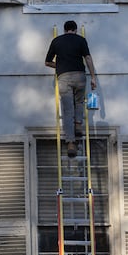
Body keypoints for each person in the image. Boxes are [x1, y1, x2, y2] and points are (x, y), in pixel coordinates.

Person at [45, 20, 98, 158]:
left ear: (64, 30)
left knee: (68, 110)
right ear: (75, 30)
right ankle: (78, 125)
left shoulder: (56, 41)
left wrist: (61, 65)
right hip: (80, 76)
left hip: (64, 77)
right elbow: (88, 58)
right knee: (80, 101)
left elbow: (47, 62)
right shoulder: (81, 40)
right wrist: (93, 77)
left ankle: (70, 143)